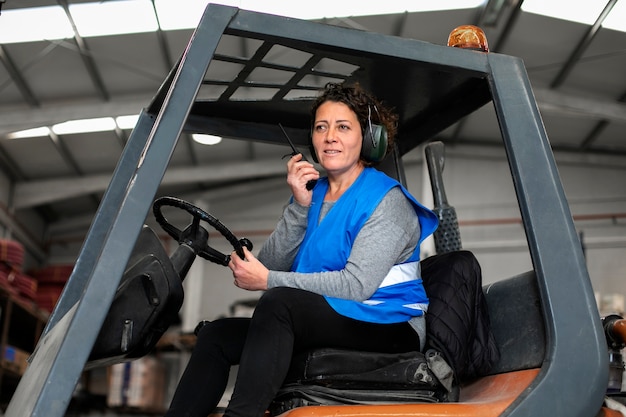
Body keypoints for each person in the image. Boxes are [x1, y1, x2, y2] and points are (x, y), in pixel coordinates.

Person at [164, 82, 438, 417]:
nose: (329, 137)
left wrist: (269, 281)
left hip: (389, 322)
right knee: (218, 335)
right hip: (337, 314)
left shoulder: (386, 201)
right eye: (321, 127)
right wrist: (298, 205)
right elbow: (268, 265)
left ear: (367, 139)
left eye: (343, 127)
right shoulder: (314, 193)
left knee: (279, 303)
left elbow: (354, 286)